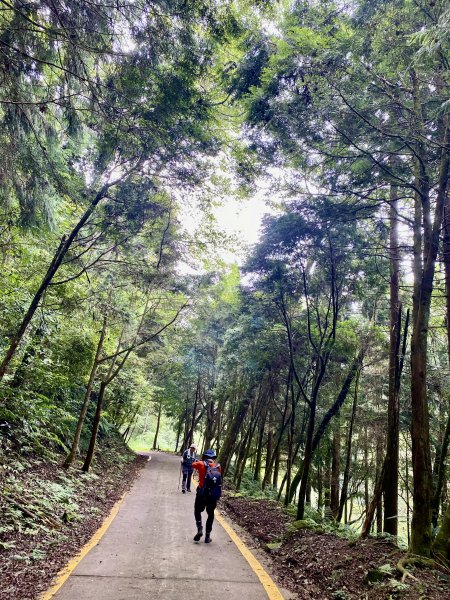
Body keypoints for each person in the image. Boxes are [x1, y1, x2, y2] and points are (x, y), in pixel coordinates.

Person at [191, 448, 222, 544]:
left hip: (201, 493)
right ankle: (207, 537)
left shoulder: (200, 464)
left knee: (197, 511)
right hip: (212, 495)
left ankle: (199, 528)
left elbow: (192, 465)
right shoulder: (218, 466)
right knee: (211, 514)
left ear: (205, 457)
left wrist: (199, 461)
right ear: (213, 458)